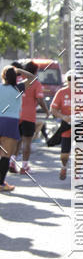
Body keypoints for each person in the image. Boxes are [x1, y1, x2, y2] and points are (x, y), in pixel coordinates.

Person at [0, 64, 35, 192]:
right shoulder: (18, 88)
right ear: (15, 76)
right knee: (5, 155)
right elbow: (33, 78)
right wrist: (19, 70)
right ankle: (1, 183)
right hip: (11, 123)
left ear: (3, 76)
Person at [13, 61, 50, 175]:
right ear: (35, 71)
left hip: (15, 115)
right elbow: (40, 99)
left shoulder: (17, 81)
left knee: (16, 141)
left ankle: (11, 163)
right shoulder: (35, 83)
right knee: (27, 142)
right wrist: (47, 111)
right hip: (28, 116)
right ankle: (24, 167)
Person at [50, 71, 73, 180]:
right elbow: (53, 109)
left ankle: (78, 174)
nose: (73, 81)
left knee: (80, 151)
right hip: (66, 124)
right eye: (70, 79)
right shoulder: (61, 92)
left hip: (81, 125)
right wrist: (63, 117)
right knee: (64, 155)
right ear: (66, 80)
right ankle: (64, 167)